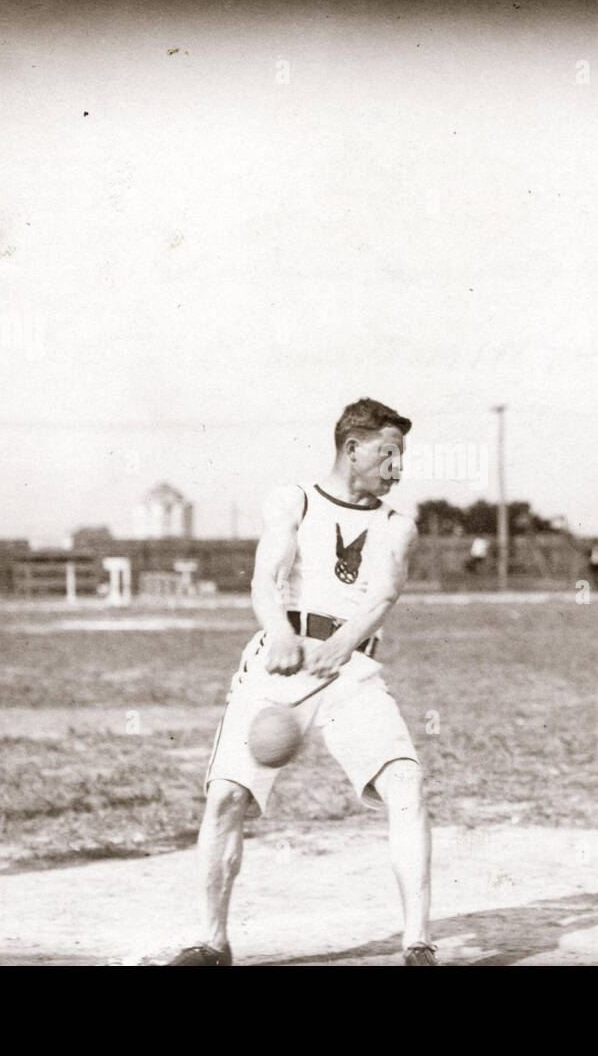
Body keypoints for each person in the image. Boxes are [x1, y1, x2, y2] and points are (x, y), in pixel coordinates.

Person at [170, 398, 434, 966]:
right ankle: (210, 943)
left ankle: (417, 944)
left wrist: (341, 646)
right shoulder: (295, 500)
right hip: (277, 665)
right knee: (225, 796)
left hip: (352, 672)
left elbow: (384, 595)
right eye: (388, 454)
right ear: (352, 448)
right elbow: (266, 577)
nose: (397, 468)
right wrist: (280, 633)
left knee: (406, 785)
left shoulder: (397, 525)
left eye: (401, 457)